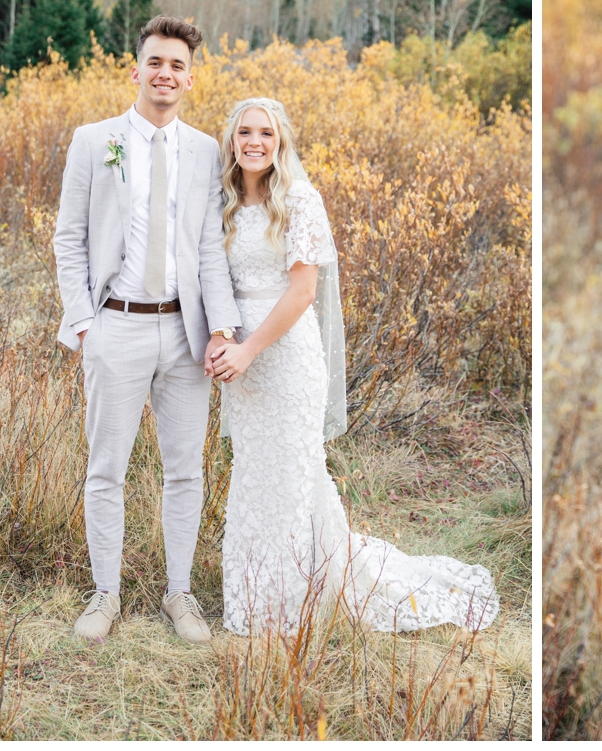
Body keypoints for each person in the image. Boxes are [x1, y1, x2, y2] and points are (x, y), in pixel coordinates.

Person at [205, 96, 499, 636]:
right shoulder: (221, 203)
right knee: (253, 477)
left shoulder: (300, 200)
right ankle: (252, 597)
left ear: (281, 142)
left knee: (293, 476)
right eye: (244, 132)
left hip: (286, 358)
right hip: (240, 367)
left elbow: (301, 293)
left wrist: (248, 349)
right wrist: (225, 339)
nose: (254, 142)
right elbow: (211, 276)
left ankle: (293, 607)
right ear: (231, 140)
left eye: (265, 134)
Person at [53, 15, 239, 645]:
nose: (166, 74)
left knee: (185, 471)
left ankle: (179, 594)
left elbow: (210, 247)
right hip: (116, 327)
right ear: (135, 70)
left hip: (185, 335)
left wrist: (222, 328)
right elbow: (69, 237)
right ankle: (105, 595)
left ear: (190, 78)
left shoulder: (206, 150)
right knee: (106, 468)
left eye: (178, 65)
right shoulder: (93, 140)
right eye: (155, 62)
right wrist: (83, 322)